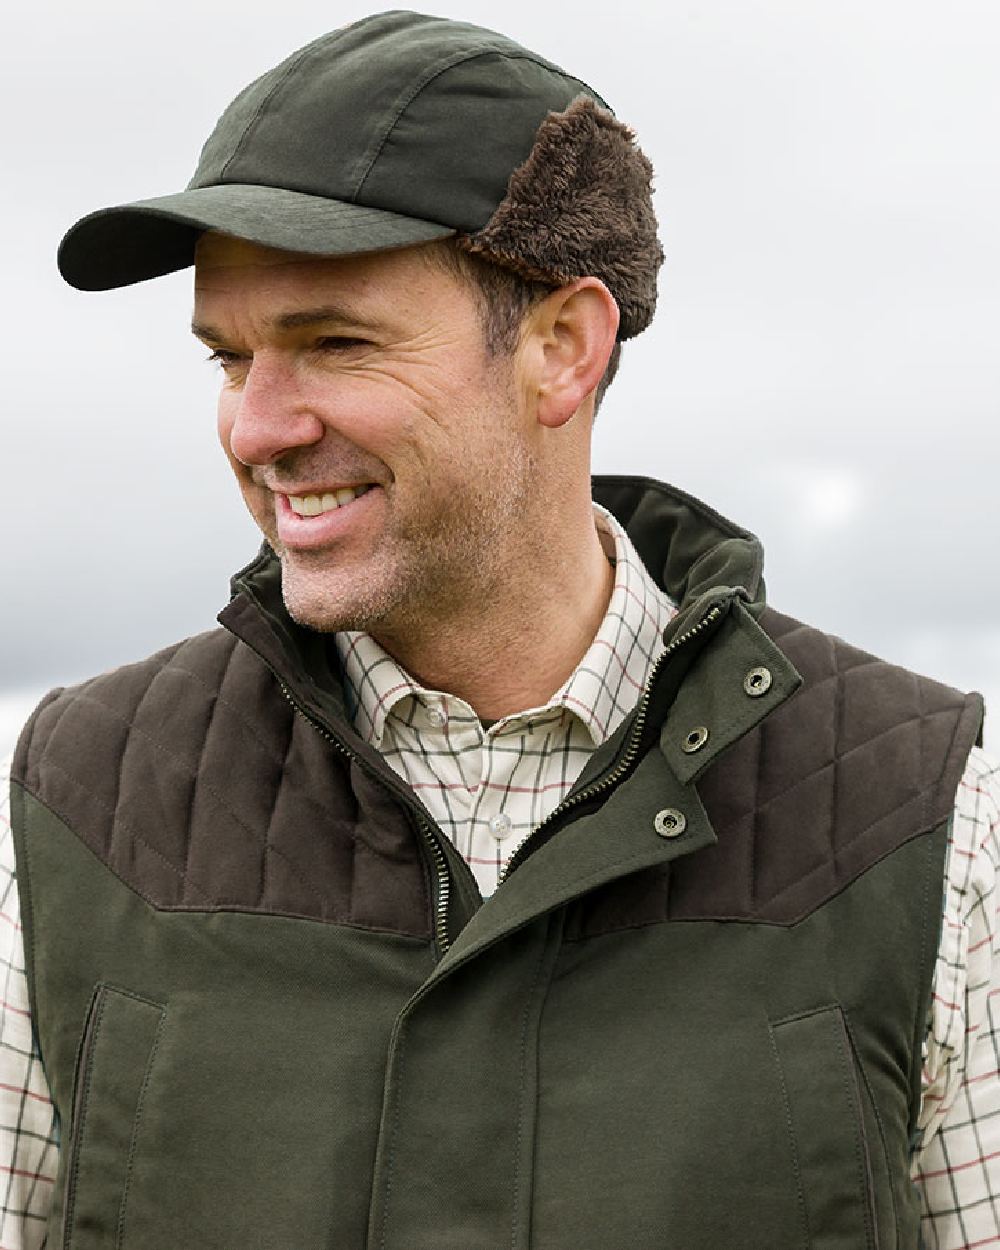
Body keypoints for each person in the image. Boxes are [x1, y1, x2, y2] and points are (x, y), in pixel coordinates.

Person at [3, 10, 998, 1248]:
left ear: (561, 351)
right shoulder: (72, 804)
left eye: (334, 344)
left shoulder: (928, 813)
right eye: (227, 357)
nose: (255, 429)